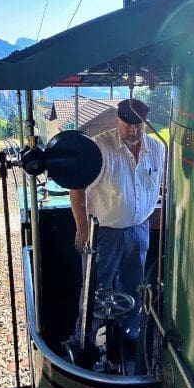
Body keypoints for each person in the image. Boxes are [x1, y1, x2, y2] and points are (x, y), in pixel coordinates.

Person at [69, 98, 165, 340]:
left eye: (139, 126)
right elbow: (76, 187)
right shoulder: (99, 148)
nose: (133, 131)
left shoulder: (157, 149)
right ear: (117, 121)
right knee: (95, 290)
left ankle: (129, 337)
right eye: (127, 125)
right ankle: (86, 340)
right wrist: (81, 228)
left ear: (146, 124)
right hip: (104, 233)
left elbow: (158, 185)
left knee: (134, 288)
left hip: (139, 230)